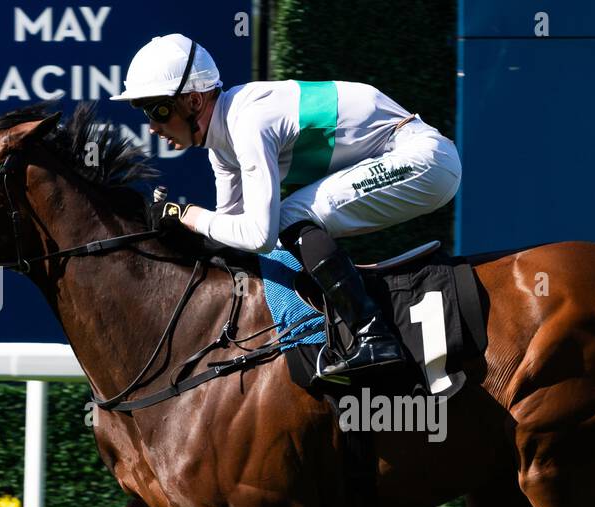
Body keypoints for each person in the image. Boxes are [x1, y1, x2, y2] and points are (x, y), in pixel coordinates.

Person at [111, 34, 462, 381]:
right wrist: (175, 233)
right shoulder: (223, 147)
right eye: (145, 112)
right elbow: (232, 236)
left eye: (158, 109)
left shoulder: (248, 123)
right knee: (287, 217)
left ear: (194, 100)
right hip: (410, 158)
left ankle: (374, 336)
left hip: (424, 160)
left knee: (290, 216)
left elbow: (260, 235)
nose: (153, 126)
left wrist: (188, 214)